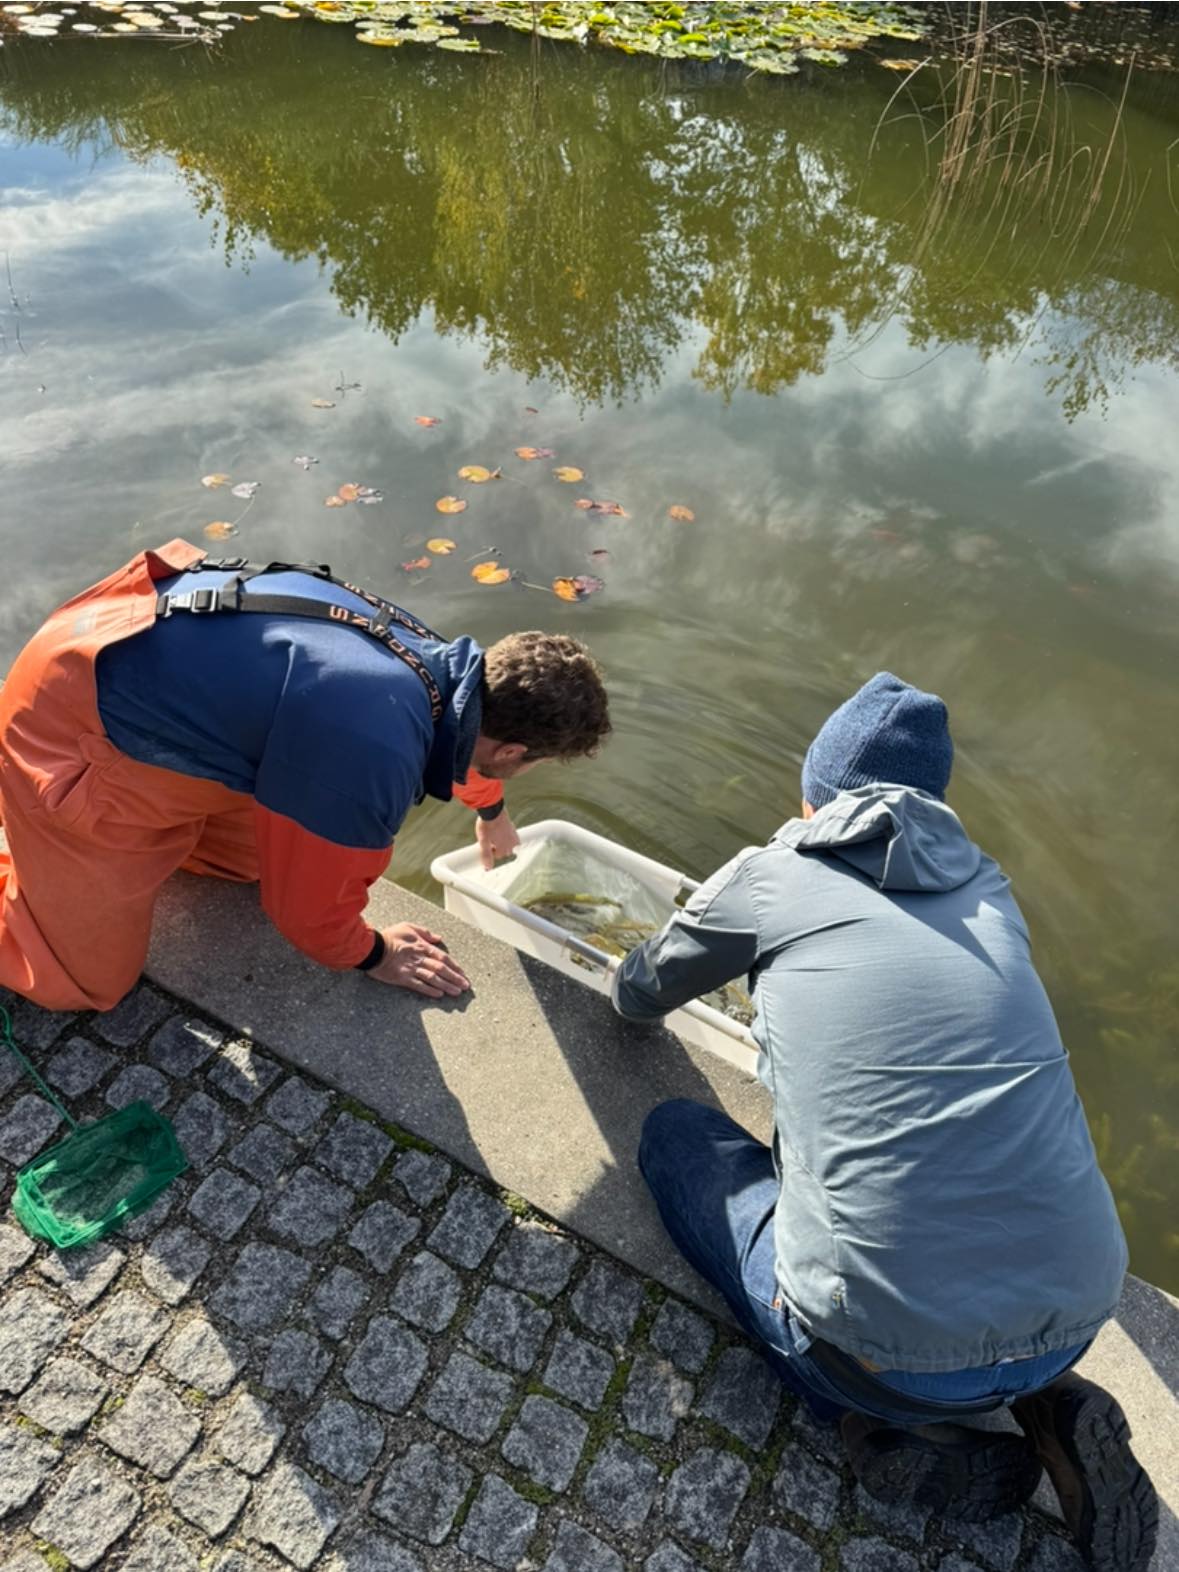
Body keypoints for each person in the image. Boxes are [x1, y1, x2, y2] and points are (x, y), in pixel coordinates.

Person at [613, 673, 1157, 1571]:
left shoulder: (771, 877)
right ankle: (1047, 1401)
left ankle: (880, 1422)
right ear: (933, 802)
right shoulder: (990, 891)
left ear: (811, 794)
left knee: (674, 1135)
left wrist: (626, 990)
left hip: (883, 1349)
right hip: (1080, 1300)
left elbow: (642, 989)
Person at [0, 540, 609, 1013]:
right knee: (86, 982)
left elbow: (464, 744)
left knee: (254, 863)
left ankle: (86, 847)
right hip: (67, 721)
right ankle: (30, 841)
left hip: (122, 635)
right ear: (514, 750)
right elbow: (308, 916)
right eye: (533, 764)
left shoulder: (440, 664)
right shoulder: (374, 750)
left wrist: (491, 812)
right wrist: (376, 952)